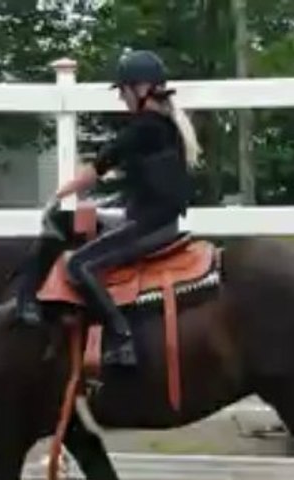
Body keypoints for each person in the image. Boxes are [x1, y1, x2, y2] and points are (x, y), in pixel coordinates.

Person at [17, 49, 202, 368]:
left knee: (79, 267)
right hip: (145, 216)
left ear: (140, 89)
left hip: (150, 226)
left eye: (123, 91)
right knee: (63, 223)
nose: (122, 99)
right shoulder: (164, 124)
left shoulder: (147, 126)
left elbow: (100, 165)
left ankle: (121, 336)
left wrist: (59, 194)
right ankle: (29, 302)